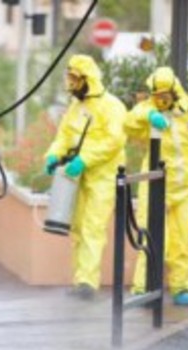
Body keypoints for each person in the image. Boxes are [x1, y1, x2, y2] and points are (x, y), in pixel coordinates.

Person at [124, 66, 188, 306]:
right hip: (155, 184)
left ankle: (181, 288)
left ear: (175, 92)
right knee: (150, 234)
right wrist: (147, 116)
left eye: (164, 96)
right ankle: (142, 287)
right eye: (156, 96)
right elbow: (127, 123)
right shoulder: (149, 109)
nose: (160, 101)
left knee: (182, 240)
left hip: (187, 187)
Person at [43, 54, 127, 300]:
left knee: (93, 227)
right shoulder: (76, 107)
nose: (69, 82)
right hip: (76, 176)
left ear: (86, 79)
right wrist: (53, 155)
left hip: (103, 176)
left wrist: (84, 159)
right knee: (78, 229)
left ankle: (88, 283)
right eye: (68, 77)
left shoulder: (112, 106)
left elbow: (113, 141)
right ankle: (81, 280)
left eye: (73, 77)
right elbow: (64, 136)